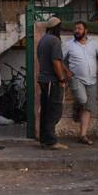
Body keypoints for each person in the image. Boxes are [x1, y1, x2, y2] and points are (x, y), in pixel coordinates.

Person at [62, 21, 98, 145]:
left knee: (88, 108)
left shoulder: (93, 44)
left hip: (92, 79)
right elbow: (60, 59)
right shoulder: (69, 45)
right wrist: (67, 71)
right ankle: (77, 107)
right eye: (75, 28)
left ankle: (82, 135)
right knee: (82, 100)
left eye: (79, 28)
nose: (77, 31)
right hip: (76, 78)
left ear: (86, 31)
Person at [35, 17, 68, 149]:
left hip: (43, 80)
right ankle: (51, 141)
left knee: (45, 110)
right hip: (52, 81)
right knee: (54, 110)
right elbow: (56, 62)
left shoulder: (43, 40)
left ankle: (44, 139)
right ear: (57, 27)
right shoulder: (55, 41)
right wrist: (61, 79)